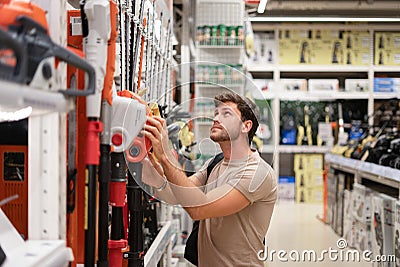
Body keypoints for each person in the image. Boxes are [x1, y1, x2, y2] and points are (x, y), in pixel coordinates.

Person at [141, 92, 277, 266]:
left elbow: (199, 209)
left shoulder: (257, 174)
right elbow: (177, 195)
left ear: (246, 126)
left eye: (226, 114)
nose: (216, 118)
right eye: (216, 113)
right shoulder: (216, 162)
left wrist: (166, 156)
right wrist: (152, 171)